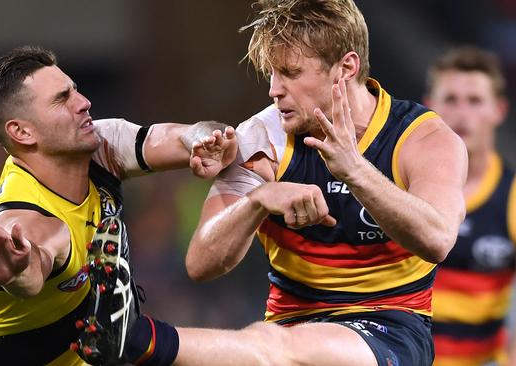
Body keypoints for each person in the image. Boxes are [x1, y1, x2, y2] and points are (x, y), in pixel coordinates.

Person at [75, 0, 469, 365]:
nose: (274, 90)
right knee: (271, 346)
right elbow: (201, 263)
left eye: (292, 73)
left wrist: (354, 170)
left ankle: (140, 339)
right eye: (272, 73)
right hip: (287, 326)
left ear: (346, 68)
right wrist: (258, 200)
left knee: (270, 346)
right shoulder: (262, 140)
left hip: (389, 328)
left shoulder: (423, 140)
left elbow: (437, 240)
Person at [0, 45, 237, 365]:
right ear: (22, 131)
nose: (84, 103)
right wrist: (19, 272)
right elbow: (34, 266)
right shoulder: (24, 217)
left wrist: (206, 140)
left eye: (74, 90)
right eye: (62, 99)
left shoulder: (99, 148)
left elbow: (180, 136)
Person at [423, 46, 516, 366]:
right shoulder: (396, 183)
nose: (462, 113)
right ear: (430, 107)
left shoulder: (514, 194)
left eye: (475, 101)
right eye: (451, 99)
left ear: (499, 110)